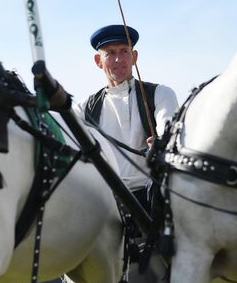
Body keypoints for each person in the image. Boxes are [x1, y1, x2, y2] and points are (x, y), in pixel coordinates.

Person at [76, 24, 180, 211]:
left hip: (155, 198)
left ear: (134, 57)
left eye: (124, 51)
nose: (118, 59)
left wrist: (161, 144)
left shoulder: (160, 94)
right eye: (110, 53)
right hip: (106, 204)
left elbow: (169, 134)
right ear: (98, 61)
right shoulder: (84, 108)